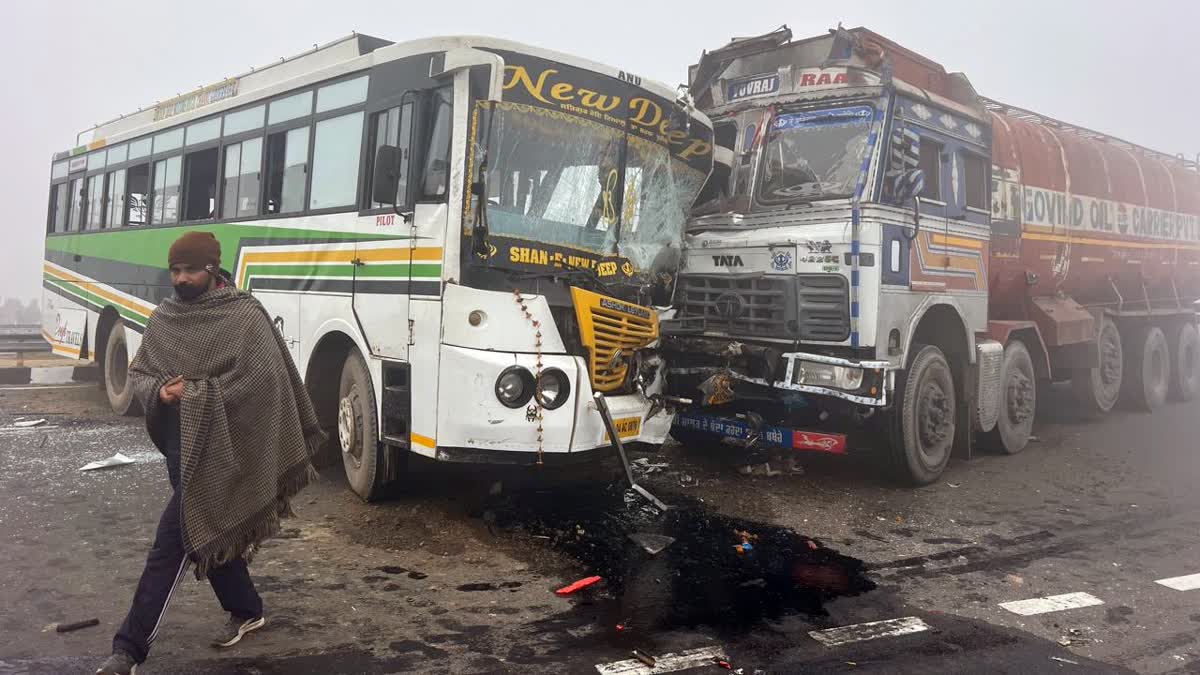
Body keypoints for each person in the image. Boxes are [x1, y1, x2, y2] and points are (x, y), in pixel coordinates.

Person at [96, 231, 325, 675]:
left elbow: (265, 384)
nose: (180, 279)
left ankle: (128, 650)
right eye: (175, 271)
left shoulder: (244, 316)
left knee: (173, 543)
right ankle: (247, 608)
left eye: (189, 271)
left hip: (232, 446)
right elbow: (141, 374)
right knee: (210, 531)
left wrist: (198, 394)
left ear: (213, 269)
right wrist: (162, 391)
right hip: (182, 446)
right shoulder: (166, 318)